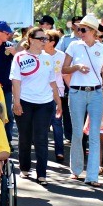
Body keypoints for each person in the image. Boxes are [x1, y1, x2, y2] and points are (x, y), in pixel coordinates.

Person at [62, 14, 103, 186]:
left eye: (83, 29)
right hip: (76, 93)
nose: (79, 32)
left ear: (93, 32)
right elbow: (64, 69)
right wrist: (76, 67)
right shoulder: (74, 46)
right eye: (78, 29)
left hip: (96, 94)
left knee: (95, 134)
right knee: (77, 132)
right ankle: (75, 170)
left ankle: (92, 175)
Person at [11, 26, 62, 186]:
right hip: (25, 102)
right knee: (25, 137)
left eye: (45, 39)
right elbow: (16, 81)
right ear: (31, 40)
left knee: (41, 138)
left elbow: (52, 81)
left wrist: (58, 101)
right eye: (41, 39)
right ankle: (25, 168)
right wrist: (17, 102)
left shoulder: (48, 58)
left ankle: (42, 173)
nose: (44, 42)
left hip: (45, 104)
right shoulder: (20, 57)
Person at [44, 29, 67, 162]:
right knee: (43, 124)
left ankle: (59, 151)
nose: (43, 41)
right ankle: (43, 151)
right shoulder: (39, 55)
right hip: (42, 93)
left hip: (58, 92)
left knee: (57, 123)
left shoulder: (61, 56)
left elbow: (65, 74)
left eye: (46, 39)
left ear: (53, 42)